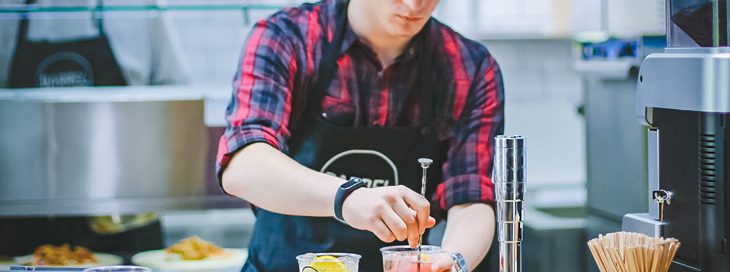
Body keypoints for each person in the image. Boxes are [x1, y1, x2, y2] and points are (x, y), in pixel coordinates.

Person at [217, 0, 504, 271]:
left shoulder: (469, 67)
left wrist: (451, 263)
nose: (415, 5)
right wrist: (348, 198)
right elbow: (243, 165)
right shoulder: (288, 38)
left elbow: (471, 196)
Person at [0, 0, 189, 258]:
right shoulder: (8, 11)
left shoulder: (139, 8)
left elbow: (176, 101)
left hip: (123, 219)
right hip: (21, 222)